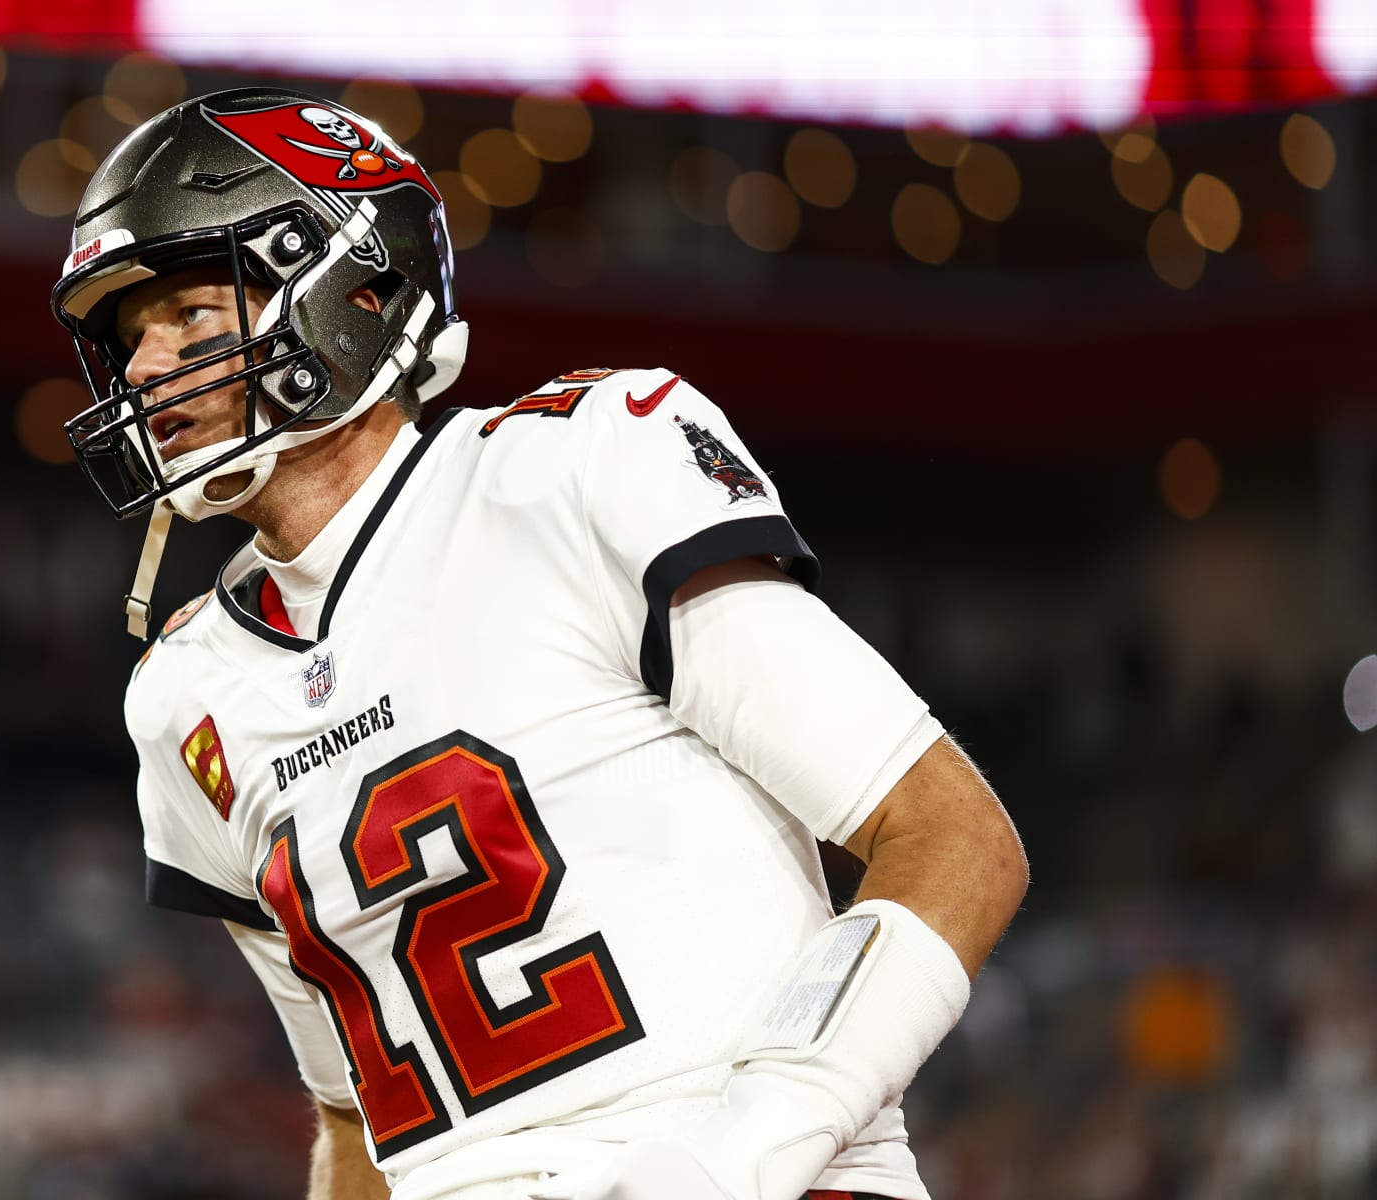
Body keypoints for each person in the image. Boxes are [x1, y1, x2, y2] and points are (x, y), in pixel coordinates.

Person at [50, 87, 1028, 1200]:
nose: (142, 368)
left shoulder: (576, 468)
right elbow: (355, 1119)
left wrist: (743, 1150)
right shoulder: (188, 697)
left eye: (189, 315)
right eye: (130, 339)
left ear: (352, 290)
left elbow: (954, 835)